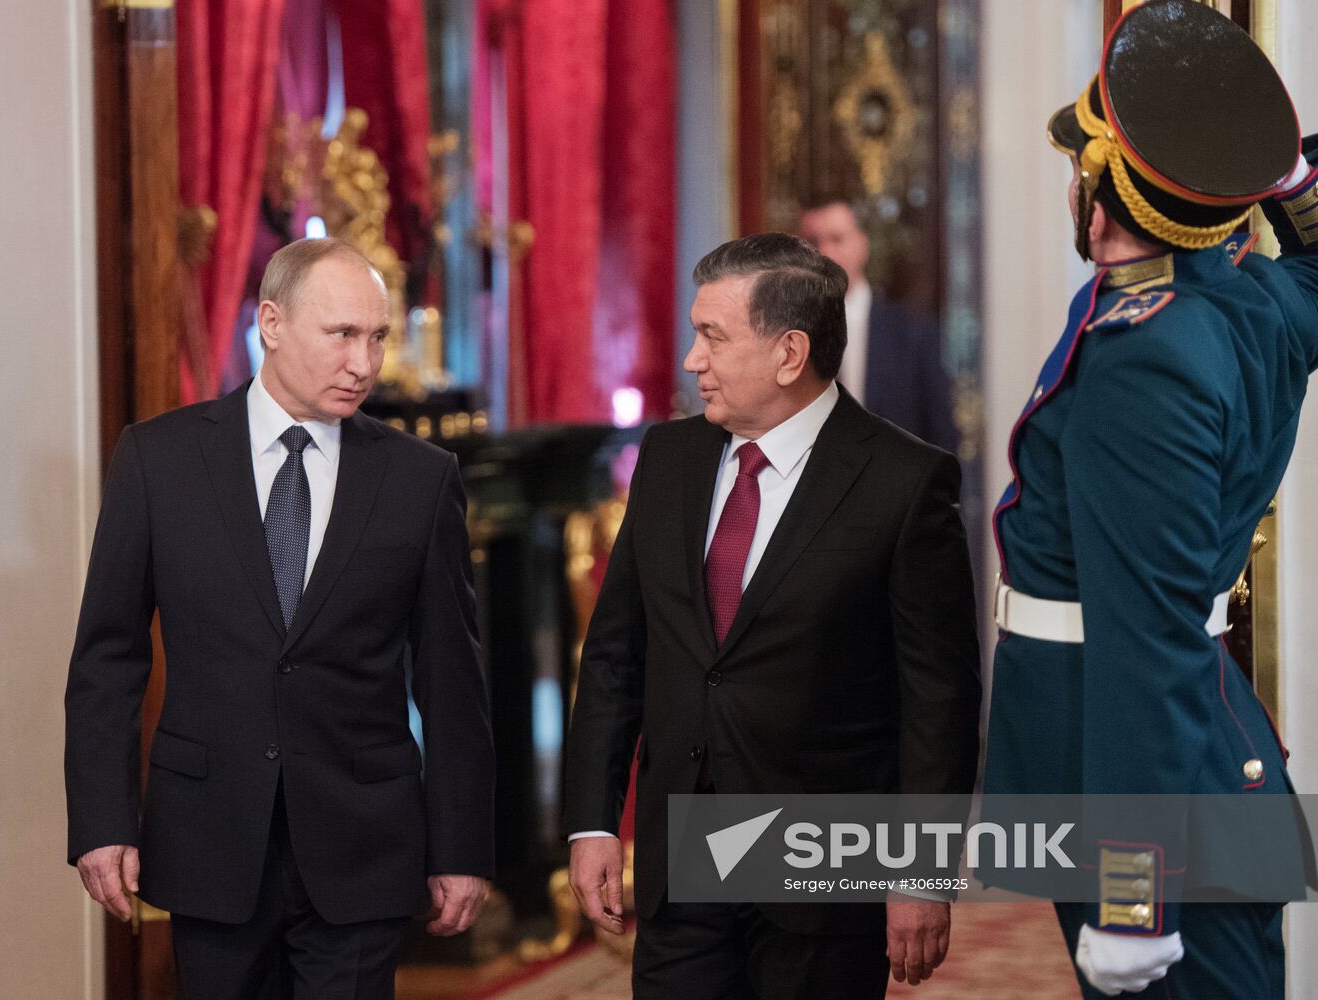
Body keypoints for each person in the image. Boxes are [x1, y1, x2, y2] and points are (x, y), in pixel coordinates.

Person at [983, 2, 1318, 996]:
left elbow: (1147, 641)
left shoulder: (1147, 360)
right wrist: (1283, 169)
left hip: (1138, 773)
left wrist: (1136, 903)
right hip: (1198, 757)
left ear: (1097, 206)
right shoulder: (1249, 299)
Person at [64, 238, 495, 999]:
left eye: (377, 337)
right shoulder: (157, 461)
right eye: (342, 336)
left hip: (363, 846)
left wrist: (461, 846)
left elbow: (450, 678)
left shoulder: (419, 480)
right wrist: (103, 822)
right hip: (209, 841)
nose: (364, 363)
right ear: (270, 322)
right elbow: (108, 660)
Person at [564, 232, 981, 999]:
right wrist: (592, 822)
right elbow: (616, 653)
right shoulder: (668, 459)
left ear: (788, 354)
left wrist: (921, 871)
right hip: (680, 861)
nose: (693, 359)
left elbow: (938, 702)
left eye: (712, 337)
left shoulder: (904, 483)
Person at [798, 198, 957, 452]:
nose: (825, 253)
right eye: (814, 243)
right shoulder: (787, 330)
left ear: (863, 243)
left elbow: (941, 434)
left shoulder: (913, 331)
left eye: (837, 239)